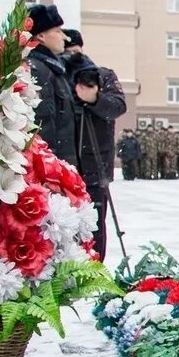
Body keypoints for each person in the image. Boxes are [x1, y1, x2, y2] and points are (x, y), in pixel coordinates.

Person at [61, 29, 126, 258]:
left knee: (94, 225)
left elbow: (118, 106)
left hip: (94, 167)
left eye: (74, 53)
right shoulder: (56, 77)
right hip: (62, 164)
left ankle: (95, 269)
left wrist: (94, 98)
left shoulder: (101, 75)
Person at [26, 4, 78, 167]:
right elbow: (43, 128)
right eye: (57, 31)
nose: (64, 37)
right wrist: (51, 172)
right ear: (40, 35)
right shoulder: (37, 70)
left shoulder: (51, 68)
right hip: (50, 171)